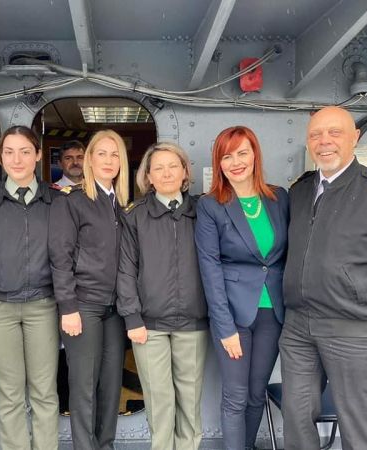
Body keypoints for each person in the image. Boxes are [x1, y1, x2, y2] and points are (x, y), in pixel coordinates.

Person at [280, 106, 367, 450]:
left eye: (334, 132)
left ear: (355, 138)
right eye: (315, 134)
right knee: (296, 419)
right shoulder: (300, 191)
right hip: (298, 328)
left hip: (355, 330)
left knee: (356, 427)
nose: (324, 141)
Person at [195, 126, 288, 450]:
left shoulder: (279, 198)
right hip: (233, 316)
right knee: (235, 396)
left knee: (255, 394)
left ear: (255, 155)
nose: (235, 162)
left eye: (242, 153)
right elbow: (210, 268)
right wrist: (225, 327)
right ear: (218, 163)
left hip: (272, 313)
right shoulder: (211, 205)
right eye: (227, 156)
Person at [0, 126, 60, 450]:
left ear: (38, 155)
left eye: (25, 151)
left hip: (43, 305)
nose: (17, 159)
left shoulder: (57, 200)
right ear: (0, 157)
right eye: (9, 152)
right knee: (9, 395)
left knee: (45, 393)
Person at [117, 142, 209, 450]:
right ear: (148, 176)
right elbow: (126, 270)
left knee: (190, 402)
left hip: (193, 323)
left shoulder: (203, 211)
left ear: (185, 172)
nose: (166, 173)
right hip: (149, 326)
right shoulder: (135, 216)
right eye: (158, 168)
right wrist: (132, 317)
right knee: (159, 401)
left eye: (173, 166)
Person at [49, 129, 129, 450]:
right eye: (101, 153)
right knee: (84, 387)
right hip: (83, 306)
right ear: (90, 160)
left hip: (115, 309)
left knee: (111, 386)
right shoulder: (73, 201)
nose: (108, 160)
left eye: (115, 154)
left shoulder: (123, 204)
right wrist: (68, 307)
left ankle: (105, 444)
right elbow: (60, 257)